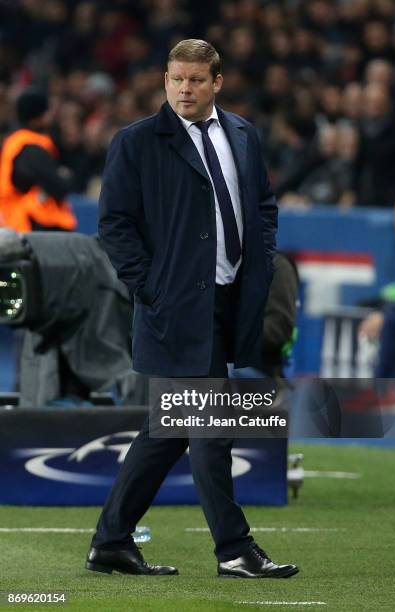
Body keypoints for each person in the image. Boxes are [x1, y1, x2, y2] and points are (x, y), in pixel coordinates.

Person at [87, 39, 299, 579]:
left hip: (231, 302)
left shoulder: (244, 134)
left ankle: (110, 542)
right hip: (176, 308)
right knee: (210, 425)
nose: (185, 89)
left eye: (196, 80)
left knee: (169, 430)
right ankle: (234, 548)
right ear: (165, 80)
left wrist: (261, 259)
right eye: (177, 79)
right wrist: (151, 288)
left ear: (217, 82)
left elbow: (263, 205)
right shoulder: (136, 143)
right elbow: (114, 225)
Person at [0, 87, 77, 232]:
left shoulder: (14, 140)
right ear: (37, 116)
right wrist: (64, 177)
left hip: (12, 223)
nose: (50, 116)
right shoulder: (32, 147)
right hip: (31, 225)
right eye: (46, 111)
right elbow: (59, 187)